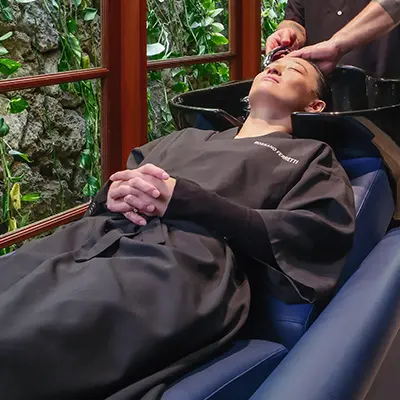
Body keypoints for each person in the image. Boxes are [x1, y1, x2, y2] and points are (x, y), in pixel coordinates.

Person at [0, 57, 355, 400]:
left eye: (294, 69)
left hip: (182, 263)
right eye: (272, 64)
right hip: (97, 236)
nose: (275, 67)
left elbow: (314, 232)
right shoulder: (186, 138)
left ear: (315, 106)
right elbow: (127, 180)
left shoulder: (312, 156)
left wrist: (188, 201)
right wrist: (111, 195)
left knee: (27, 338)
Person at [266, 0, 400, 76]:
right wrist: (288, 32)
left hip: (384, 90)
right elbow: (294, 19)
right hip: (321, 89)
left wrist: (336, 45)